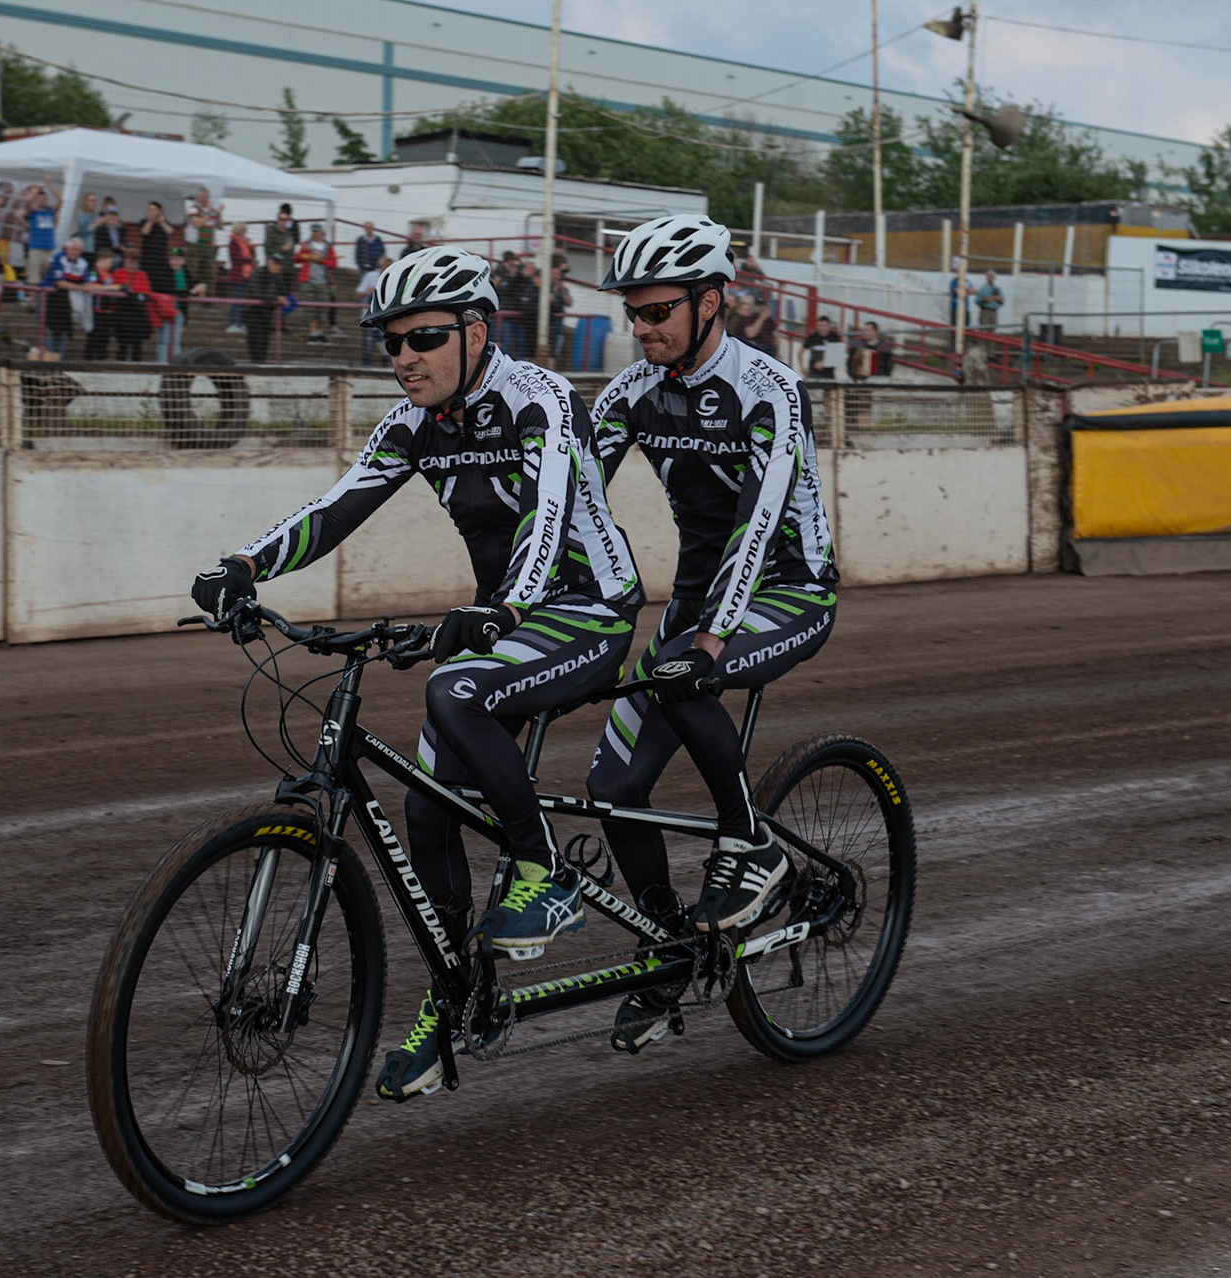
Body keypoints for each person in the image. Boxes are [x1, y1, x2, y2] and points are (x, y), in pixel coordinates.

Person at [190, 246, 644, 1102]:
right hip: (505, 618)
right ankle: (455, 994)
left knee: (453, 689)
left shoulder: (540, 398)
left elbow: (546, 518)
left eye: (422, 338)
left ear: (477, 331)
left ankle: (544, 875)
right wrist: (243, 566)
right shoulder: (411, 423)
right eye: (390, 342)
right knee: (425, 810)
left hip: (587, 609)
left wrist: (503, 610)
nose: (403, 357)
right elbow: (336, 508)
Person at [587, 216, 837, 1053]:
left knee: (679, 677)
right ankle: (670, 947)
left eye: (658, 311)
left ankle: (752, 844)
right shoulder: (631, 392)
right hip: (699, 598)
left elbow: (757, 527)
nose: (642, 327)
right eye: (634, 311)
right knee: (612, 787)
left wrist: (707, 642)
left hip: (788, 588)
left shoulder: (769, 386)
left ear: (711, 301)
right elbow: (570, 500)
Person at [38, 237, 93, 359]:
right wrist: (80, 288)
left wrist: (81, 287)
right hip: (47, 297)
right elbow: (60, 283)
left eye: (78, 250)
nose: (75, 252)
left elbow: (87, 283)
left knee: (60, 332)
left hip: (63, 301)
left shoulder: (83, 263)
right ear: (67, 248)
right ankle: (46, 361)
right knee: (47, 331)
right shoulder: (58, 258)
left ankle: (58, 361)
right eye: (73, 249)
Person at [294, 223, 337, 344]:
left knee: (323, 308)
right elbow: (296, 259)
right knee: (310, 308)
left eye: (317, 231)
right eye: (313, 231)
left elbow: (334, 264)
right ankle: (312, 333)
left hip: (324, 281)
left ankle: (320, 333)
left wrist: (321, 260)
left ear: (322, 233)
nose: (315, 233)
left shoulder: (328, 246)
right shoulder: (306, 244)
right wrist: (306, 254)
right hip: (308, 280)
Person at [242, 251, 286, 362]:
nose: (277, 267)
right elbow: (257, 293)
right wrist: (276, 298)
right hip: (252, 311)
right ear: (268, 262)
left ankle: (261, 362)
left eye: (279, 264)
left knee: (265, 339)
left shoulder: (278, 276)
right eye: (275, 263)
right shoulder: (258, 273)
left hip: (266, 312)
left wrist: (284, 297)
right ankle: (256, 363)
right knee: (255, 338)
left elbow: (283, 292)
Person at [21, 180, 60, 288]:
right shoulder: (33, 212)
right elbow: (28, 200)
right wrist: (38, 188)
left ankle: (43, 298)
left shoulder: (50, 211)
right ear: (36, 200)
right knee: (33, 279)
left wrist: (50, 185)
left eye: (45, 199)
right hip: (36, 249)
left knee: (47, 278)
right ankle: (32, 298)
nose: (43, 201)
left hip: (49, 249)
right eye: (40, 199)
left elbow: (60, 200)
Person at [355, 252, 391, 365]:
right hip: (369, 314)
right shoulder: (370, 276)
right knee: (368, 339)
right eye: (387, 264)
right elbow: (358, 294)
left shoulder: (392, 277)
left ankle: (385, 362)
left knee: (383, 339)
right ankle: (366, 361)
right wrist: (369, 291)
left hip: (385, 315)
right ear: (381, 265)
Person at [223, 220, 255, 333]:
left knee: (245, 302)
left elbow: (251, 257)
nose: (245, 232)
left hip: (246, 275)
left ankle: (242, 323)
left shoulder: (244, 243)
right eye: (243, 229)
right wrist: (249, 260)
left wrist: (251, 248)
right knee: (237, 301)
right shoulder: (233, 243)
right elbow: (237, 258)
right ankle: (233, 323)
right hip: (238, 276)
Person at [801, 314, 842, 379]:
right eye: (819, 326)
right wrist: (802, 367)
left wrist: (824, 363)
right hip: (814, 373)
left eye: (823, 326)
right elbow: (801, 351)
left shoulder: (834, 337)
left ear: (829, 327)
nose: (821, 328)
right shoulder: (812, 337)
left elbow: (838, 355)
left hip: (829, 373)